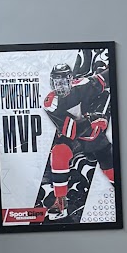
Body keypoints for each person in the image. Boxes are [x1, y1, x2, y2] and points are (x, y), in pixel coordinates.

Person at [38, 52, 114, 223]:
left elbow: (105, 79)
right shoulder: (51, 103)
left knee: (111, 170)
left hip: (94, 136)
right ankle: (60, 201)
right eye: (56, 81)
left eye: (63, 81)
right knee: (59, 152)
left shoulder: (83, 85)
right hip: (73, 138)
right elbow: (71, 130)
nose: (60, 85)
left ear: (71, 80)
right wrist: (94, 119)